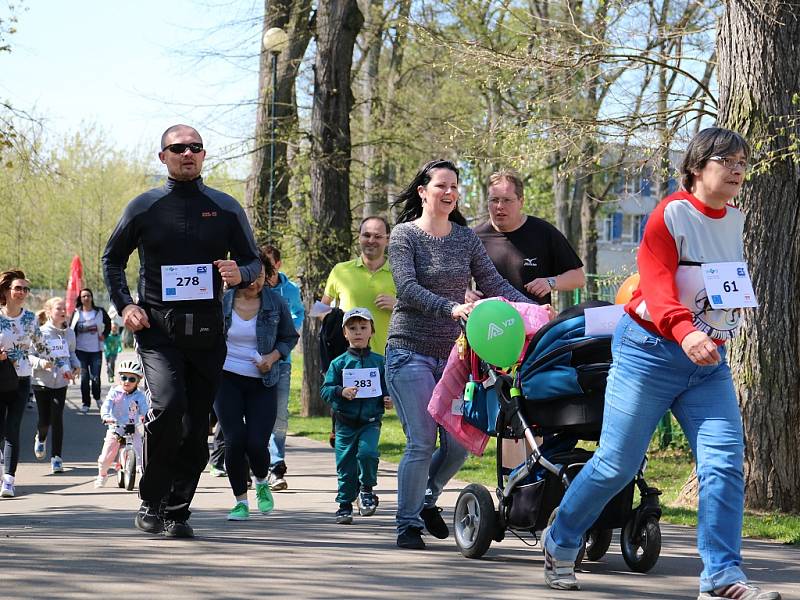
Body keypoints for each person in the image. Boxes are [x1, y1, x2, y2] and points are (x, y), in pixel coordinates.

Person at [541, 128, 781, 600]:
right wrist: (684, 329)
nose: (737, 170)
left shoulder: (736, 217)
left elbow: (723, 281)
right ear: (697, 167)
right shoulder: (670, 214)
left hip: (708, 360)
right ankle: (561, 539)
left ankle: (720, 577)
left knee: (725, 464)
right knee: (616, 464)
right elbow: (654, 283)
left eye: (742, 162)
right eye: (726, 161)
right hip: (649, 353)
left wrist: (718, 322)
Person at [102, 124, 262, 538]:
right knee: (169, 406)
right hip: (158, 330)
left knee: (195, 425)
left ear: (204, 155)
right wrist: (126, 304)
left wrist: (239, 271)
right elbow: (112, 260)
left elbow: (253, 262)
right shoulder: (144, 207)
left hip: (208, 333)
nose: (187, 153)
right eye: (178, 148)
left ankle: (177, 510)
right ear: (163, 157)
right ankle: (151, 499)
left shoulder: (225, 207)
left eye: (195, 147)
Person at [386, 159, 532, 550]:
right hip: (409, 353)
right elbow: (406, 288)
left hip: (453, 357)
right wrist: (450, 308)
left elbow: (494, 282)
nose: (449, 193)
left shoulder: (465, 238)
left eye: (454, 187)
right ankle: (407, 524)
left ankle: (426, 499)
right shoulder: (404, 236)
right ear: (423, 191)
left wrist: (535, 310)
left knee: (458, 443)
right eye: (441, 186)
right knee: (422, 441)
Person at [215, 249, 299, 521]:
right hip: (226, 379)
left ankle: (262, 482)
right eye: (251, 275)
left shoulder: (275, 302)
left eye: (262, 275)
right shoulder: (223, 301)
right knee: (234, 440)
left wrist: (272, 357)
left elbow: (289, 337)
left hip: (263, 380)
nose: (256, 281)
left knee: (256, 443)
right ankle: (240, 501)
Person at [321, 308, 392, 524]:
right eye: (352, 328)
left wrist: (388, 399)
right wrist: (340, 391)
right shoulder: (339, 363)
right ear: (345, 333)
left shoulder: (380, 362)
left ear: (372, 331)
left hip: (370, 422)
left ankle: (367, 490)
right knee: (346, 465)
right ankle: (344, 505)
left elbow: (388, 387)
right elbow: (326, 390)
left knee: (368, 454)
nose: (358, 332)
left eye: (363, 327)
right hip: (345, 422)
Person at [472, 170, 585, 304]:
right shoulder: (474, 237)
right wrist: (466, 293)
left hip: (533, 322)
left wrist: (550, 282)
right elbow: (452, 277)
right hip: (489, 322)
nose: (500, 206)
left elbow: (578, 278)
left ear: (521, 201)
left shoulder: (544, 232)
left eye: (507, 200)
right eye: (494, 200)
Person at [0, 269, 54, 498]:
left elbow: (41, 346)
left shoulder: (30, 318)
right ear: (6, 291)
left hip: (21, 380)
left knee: (12, 430)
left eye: (25, 289)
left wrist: (61, 363)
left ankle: (9, 481)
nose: (22, 292)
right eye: (17, 288)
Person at [321, 216, 396, 356]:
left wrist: (398, 305)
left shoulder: (400, 273)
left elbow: (417, 314)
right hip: (349, 359)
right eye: (366, 235)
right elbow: (320, 309)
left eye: (378, 236)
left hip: (389, 359)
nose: (371, 241)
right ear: (359, 237)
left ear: (387, 240)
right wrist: (336, 321)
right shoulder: (340, 270)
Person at [263, 244, 304, 491]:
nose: (265, 271)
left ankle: (277, 466)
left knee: (279, 415)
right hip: (255, 362)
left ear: (277, 265)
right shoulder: (253, 290)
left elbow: (297, 317)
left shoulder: (290, 291)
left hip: (282, 362)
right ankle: (253, 461)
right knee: (254, 415)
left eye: (269, 265)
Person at [30, 297, 80, 474]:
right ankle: (41, 437)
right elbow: (29, 355)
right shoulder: (40, 332)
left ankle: (56, 458)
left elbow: (72, 353)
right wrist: (41, 364)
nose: (63, 311)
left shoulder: (70, 333)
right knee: (45, 420)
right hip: (41, 382)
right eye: (58, 308)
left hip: (61, 381)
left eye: (64, 308)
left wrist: (77, 366)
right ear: (49, 311)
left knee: (57, 417)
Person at [95, 359, 149, 488]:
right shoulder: (115, 392)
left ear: (138, 381)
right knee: (106, 456)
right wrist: (106, 416)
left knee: (140, 452)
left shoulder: (139, 396)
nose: (127, 381)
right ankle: (102, 475)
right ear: (119, 378)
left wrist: (145, 417)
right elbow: (106, 405)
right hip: (116, 427)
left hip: (133, 427)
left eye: (132, 379)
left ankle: (143, 475)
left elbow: (145, 409)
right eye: (124, 378)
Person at [70, 288, 111, 413]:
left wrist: (105, 334)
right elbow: (70, 329)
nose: (86, 298)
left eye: (88, 295)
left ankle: (98, 398)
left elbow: (108, 323)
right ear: (80, 299)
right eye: (83, 296)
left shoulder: (99, 312)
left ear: (92, 297)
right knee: (84, 378)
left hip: (96, 350)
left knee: (96, 377)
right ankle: (85, 403)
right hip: (80, 350)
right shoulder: (77, 313)